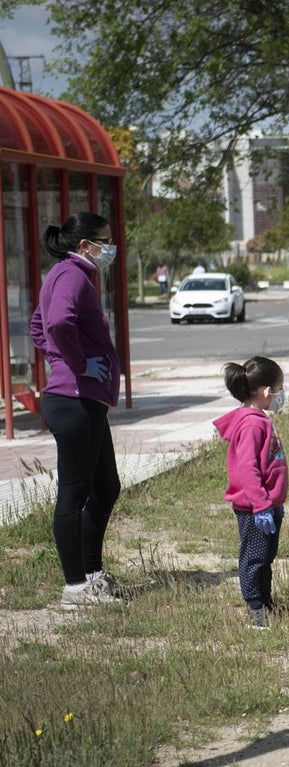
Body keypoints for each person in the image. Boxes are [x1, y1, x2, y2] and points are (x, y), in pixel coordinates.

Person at [29, 212, 124, 611]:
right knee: (74, 493)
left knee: (106, 488)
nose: (110, 247)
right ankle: (75, 589)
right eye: (104, 240)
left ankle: (91, 574)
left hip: (85, 401)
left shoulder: (66, 275)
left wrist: (62, 359)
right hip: (74, 400)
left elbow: (38, 327)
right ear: (84, 245)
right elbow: (57, 322)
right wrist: (78, 363)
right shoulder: (70, 275)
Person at [213, 356, 288, 629]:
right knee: (254, 557)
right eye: (279, 388)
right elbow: (248, 469)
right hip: (255, 508)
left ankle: (266, 603)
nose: (281, 395)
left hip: (267, 505)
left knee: (266, 557)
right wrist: (260, 505)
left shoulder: (258, 419)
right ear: (267, 391)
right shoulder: (252, 424)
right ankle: (256, 607)